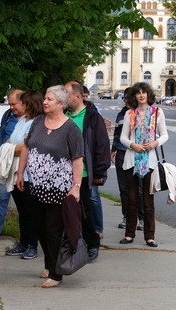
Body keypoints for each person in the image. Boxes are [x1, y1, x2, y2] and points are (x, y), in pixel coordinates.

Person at [16, 85, 84, 288]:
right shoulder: (37, 122)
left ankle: (56, 274)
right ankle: (49, 263)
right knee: (41, 228)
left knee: (54, 230)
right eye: (45, 98)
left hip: (59, 189)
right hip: (36, 186)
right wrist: (20, 172)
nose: (45, 102)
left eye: (50, 99)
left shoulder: (71, 128)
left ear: (62, 104)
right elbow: (27, 148)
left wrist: (76, 186)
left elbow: (77, 159)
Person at [64, 81, 110, 261]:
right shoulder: (63, 115)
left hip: (83, 174)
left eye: (66, 95)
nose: (63, 99)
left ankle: (92, 243)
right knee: (66, 212)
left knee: (85, 212)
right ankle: (72, 243)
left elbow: (102, 145)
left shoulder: (91, 117)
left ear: (77, 96)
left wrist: (98, 172)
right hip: (62, 174)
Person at [119, 82, 168, 247]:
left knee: (148, 201)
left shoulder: (157, 113)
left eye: (144, 93)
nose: (141, 95)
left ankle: (150, 236)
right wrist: (133, 145)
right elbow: (123, 137)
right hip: (132, 160)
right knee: (132, 199)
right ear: (134, 96)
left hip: (150, 161)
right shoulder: (129, 114)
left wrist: (155, 143)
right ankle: (129, 234)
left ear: (148, 95)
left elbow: (165, 134)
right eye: (138, 93)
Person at [4, 90, 44, 260]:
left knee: (31, 212)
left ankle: (32, 245)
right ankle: (23, 242)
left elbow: (25, 146)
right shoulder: (22, 121)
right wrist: (11, 148)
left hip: (30, 175)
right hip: (16, 172)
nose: (17, 106)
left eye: (22, 102)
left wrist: (8, 149)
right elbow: (10, 141)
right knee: (22, 211)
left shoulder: (38, 123)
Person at [0, 89, 23, 244]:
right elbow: (0, 139)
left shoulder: (33, 119)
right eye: (10, 104)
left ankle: (28, 238)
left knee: (25, 205)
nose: (11, 107)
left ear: (24, 102)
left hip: (23, 168)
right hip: (6, 167)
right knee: (1, 199)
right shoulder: (8, 116)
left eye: (14, 104)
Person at [111, 87, 144, 230]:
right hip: (121, 153)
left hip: (138, 155)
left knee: (140, 189)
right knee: (124, 189)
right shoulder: (121, 114)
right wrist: (113, 149)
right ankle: (126, 216)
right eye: (124, 98)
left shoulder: (142, 114)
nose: (125, 101)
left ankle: (142, 218)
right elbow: (117, 133)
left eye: (128, 98)